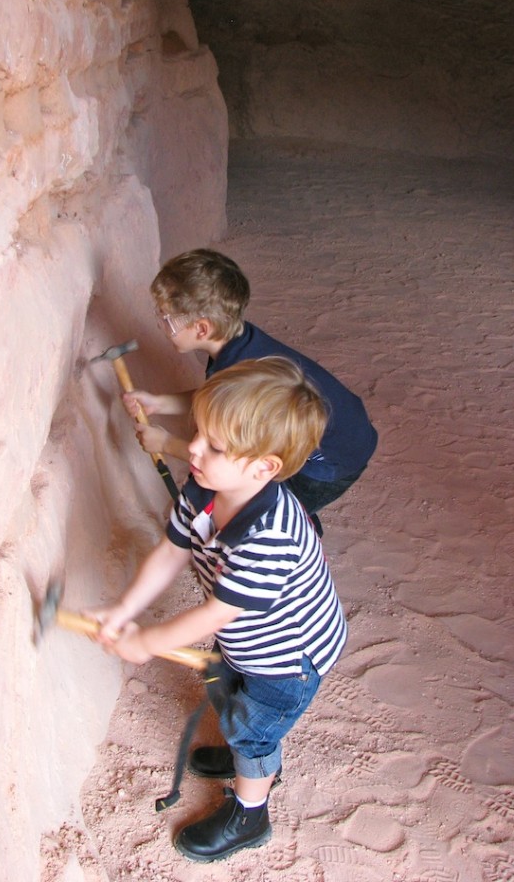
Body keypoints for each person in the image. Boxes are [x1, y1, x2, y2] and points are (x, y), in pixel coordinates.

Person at [93, 356, 348, 862]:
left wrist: (147, 640)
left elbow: (216, 613)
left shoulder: (268, 536)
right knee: (234, 696)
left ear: (264, 467)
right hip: (250, 642)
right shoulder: (204, 486)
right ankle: (243, 746)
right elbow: (172, 550)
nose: (192, 448)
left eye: (214, 445)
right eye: (197, 433)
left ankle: (249, 815)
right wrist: (125, 609)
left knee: (255, 731)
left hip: (288, 660)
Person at [126, 248, 377, 533]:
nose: (160, 325)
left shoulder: (245, 368)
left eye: (167, 319)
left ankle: (301, 533)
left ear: (201, 329)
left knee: (258, 502)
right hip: (349, 429)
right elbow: (214, 398)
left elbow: (235, 461)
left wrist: (165, 444)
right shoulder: (236, 340)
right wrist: (160, 403)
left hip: (331, 460)